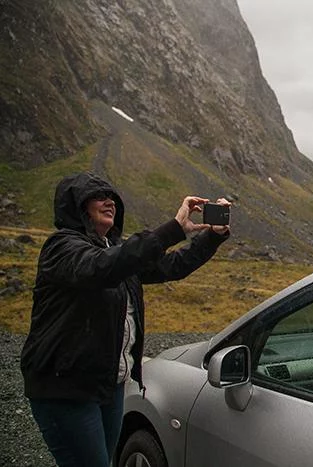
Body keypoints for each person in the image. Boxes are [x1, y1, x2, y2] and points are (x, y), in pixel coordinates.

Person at [20, 172, 231, 467]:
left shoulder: (115, 250)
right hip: (66, 387)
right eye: (98, 197)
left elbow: (174, 265)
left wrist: (213, 236)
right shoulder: (62, 247)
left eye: (112, 198)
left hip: (109, 383)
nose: (109, 202)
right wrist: (174, 229)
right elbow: (102, 268)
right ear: (76, 206)